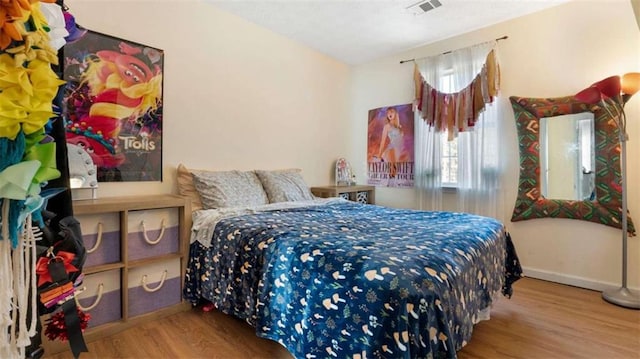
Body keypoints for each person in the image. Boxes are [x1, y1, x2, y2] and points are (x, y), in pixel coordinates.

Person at [377, 107, 403, 180]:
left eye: (391, 112)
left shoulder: (399, 127)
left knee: (395, 170)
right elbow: (383, 141)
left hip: (399, 149)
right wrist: (379, 154)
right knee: (393, 169)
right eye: (388, 113)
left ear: (395, 114)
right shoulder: (387, 127)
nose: (389, 114)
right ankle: (391, 182)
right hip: (392, 148)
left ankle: (392, 182)